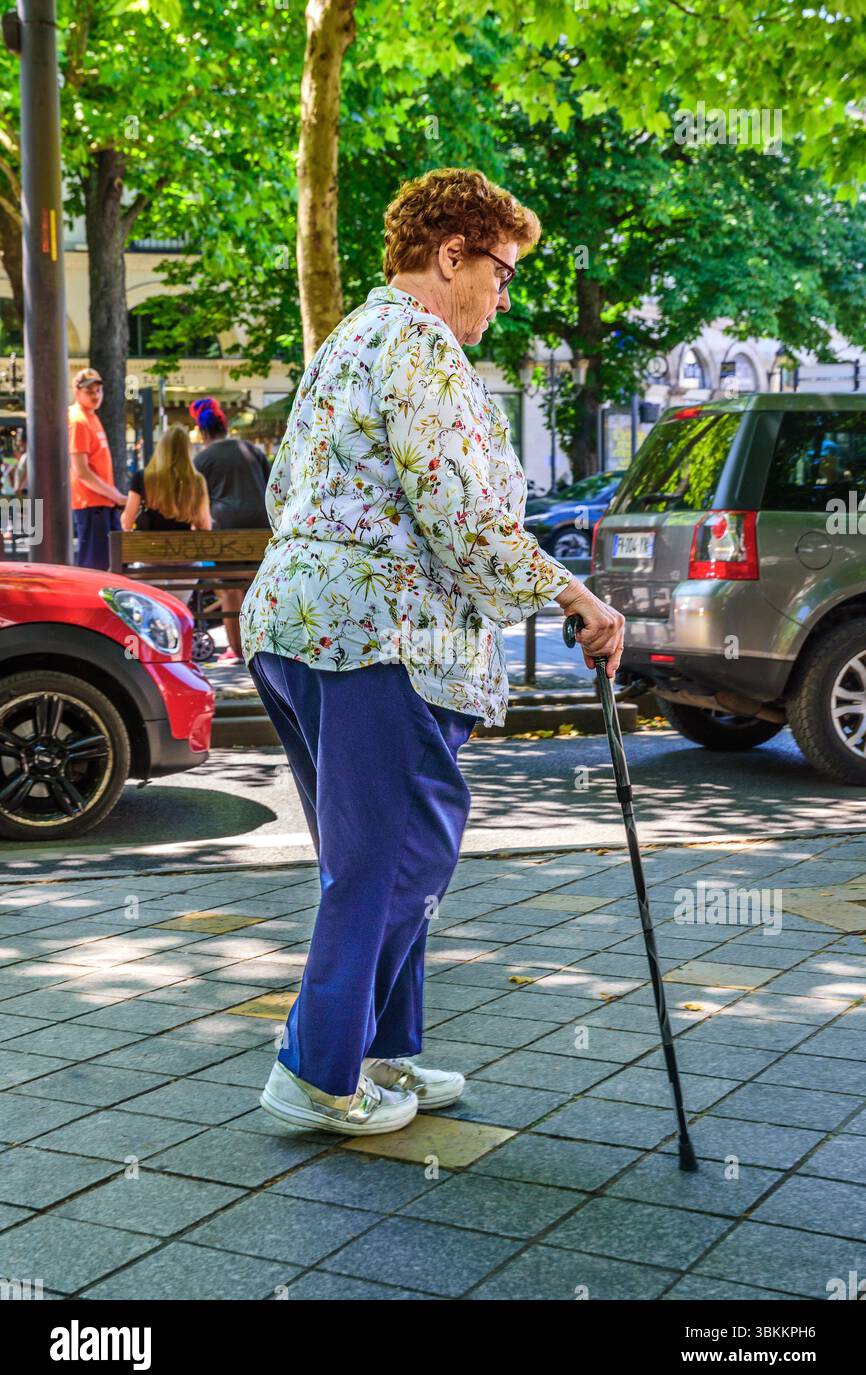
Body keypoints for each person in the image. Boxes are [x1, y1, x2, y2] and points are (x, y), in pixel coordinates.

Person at [239, 167, 626, 1138]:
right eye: (499, 272)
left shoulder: (349, 340)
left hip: (294, 625)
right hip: (381, 639)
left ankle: (382, 1054)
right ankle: (314, 1068)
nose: (504, 293)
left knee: (367, 854)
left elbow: (288, 485)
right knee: (400, 851)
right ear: (449, 254)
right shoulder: (420, 347)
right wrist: (574, 596)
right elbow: (466, 515)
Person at [189, 397, 270, 664]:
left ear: (203, 432)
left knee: (229, 589)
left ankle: (236, 650)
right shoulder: (252, 449)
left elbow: (195, 500)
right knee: (255, 586)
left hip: (226, 530)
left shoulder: (203, 459)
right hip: (262, 527)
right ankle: (260, 646)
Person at [120, 425, 212, 607]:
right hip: (186, 563)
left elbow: (126, 523)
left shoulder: (142, 478)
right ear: (187, 450)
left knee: (152, 608)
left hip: (149, 562)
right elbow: (205, 526)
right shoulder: (197, 481)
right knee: (177, 608)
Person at [68, 367, 127, 570]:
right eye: (89, 391)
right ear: (76, 392)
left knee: (108, 564)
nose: (95, 395)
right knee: (96, 567)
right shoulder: (79, 421)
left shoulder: (90, 417)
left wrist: (113, 497)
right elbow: (82, 472)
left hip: (102, 504)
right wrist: (116, 496)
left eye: (98, 390)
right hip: (91, 505)